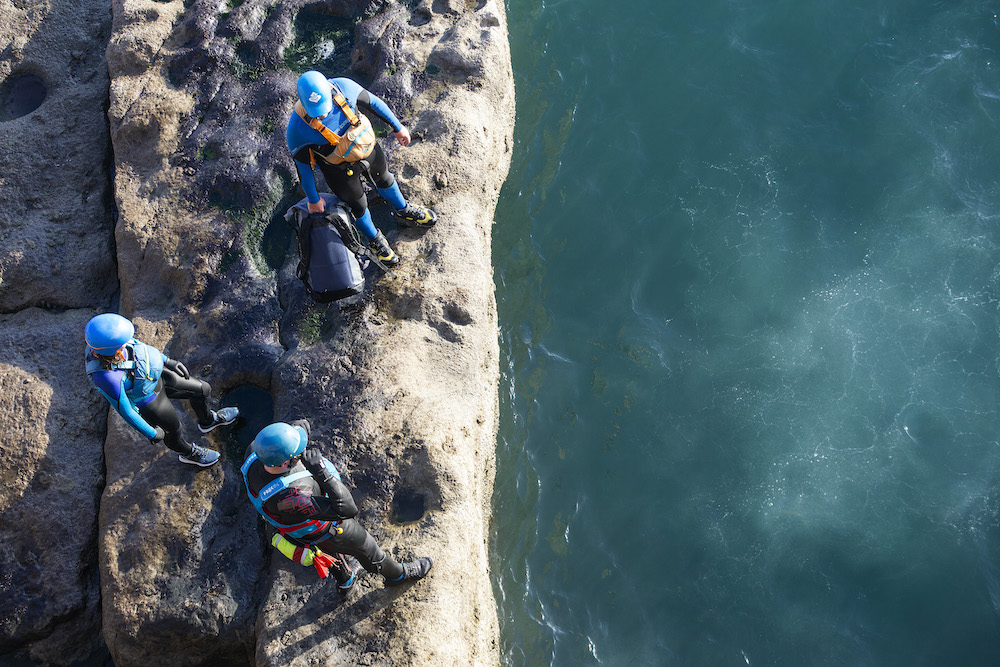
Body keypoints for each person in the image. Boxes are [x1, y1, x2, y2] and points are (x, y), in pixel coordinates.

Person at [241, 420, 432, 592]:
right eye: (298, 452)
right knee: (369, 549)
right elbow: (347, 510)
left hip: (294, 528)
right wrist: (320, 470)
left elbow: (302, 424)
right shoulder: (293, 497)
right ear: (285, 462)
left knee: (326, 552)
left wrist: (295, 431)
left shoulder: (254, 451)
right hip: (325, 528)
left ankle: (345, 582)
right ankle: (398, 575)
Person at [286, 71, 437, 267]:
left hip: (368, 149)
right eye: (315, 111)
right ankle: (375, 241)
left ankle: (404, 209)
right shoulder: (297, 129)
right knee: (359, 206)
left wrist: (398, 127)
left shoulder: (344, 87)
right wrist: (313, 199)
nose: (322, 114)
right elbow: (303, 168)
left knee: (385, 179)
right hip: (340, 171)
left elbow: (374, 103)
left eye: (323, 107)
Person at [84, 313, 238, 467]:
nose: (128, 341)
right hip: (149, 401)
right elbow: (125, 410)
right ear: (112, 350)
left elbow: (139, 348)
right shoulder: (106, 378)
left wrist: (168, 361)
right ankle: (189, 453)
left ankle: (208, 421)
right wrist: (151, 433)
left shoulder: (108, 344)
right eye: (123, 341)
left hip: (156, 376)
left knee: (203, 389)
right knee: (174, 431)